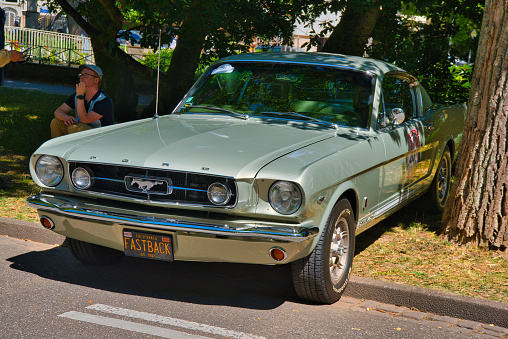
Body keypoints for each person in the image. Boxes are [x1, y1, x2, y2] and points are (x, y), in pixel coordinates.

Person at [50, 64, 114, 138]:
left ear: (96, 80)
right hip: (85, 131)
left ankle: (75, 149)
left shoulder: (104, 101)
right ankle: (58, 149)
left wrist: (80, 96)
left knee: (74, 128)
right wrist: (65, 117)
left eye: (86, 75)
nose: (82, 78)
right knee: (56, 122)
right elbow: (58, 112)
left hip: (102, 137)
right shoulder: (78, 94)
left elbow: (84, 120)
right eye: (81, 74)